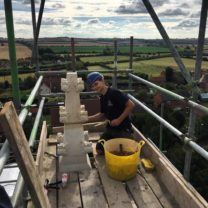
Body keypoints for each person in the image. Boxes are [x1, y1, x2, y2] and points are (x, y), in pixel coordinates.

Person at [87, 72, 135, 154]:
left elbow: (131, 105)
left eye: (96, 84)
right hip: (110, 129)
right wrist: (86, 118)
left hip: (123, 129)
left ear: (102, 81)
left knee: (126, 152)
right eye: (92, 86)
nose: (95, 87)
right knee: (99, 150)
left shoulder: (114, 93)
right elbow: (102, 115)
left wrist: (119, 120)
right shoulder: (102, 97)